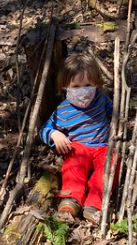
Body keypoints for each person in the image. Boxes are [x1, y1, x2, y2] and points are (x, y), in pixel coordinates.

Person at [39, 52, 119, 225]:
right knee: (72, 166)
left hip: (103, 146)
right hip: (79, 147)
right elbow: (44, 129)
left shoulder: (100, 99)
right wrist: (55, 134)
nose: (83, 91)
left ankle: (94, 204)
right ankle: (71, 198)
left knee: (111, 164)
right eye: (76, 86)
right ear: (65, 86)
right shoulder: (64, 110)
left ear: (97, 84)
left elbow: (114, 114)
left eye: (88, 85)